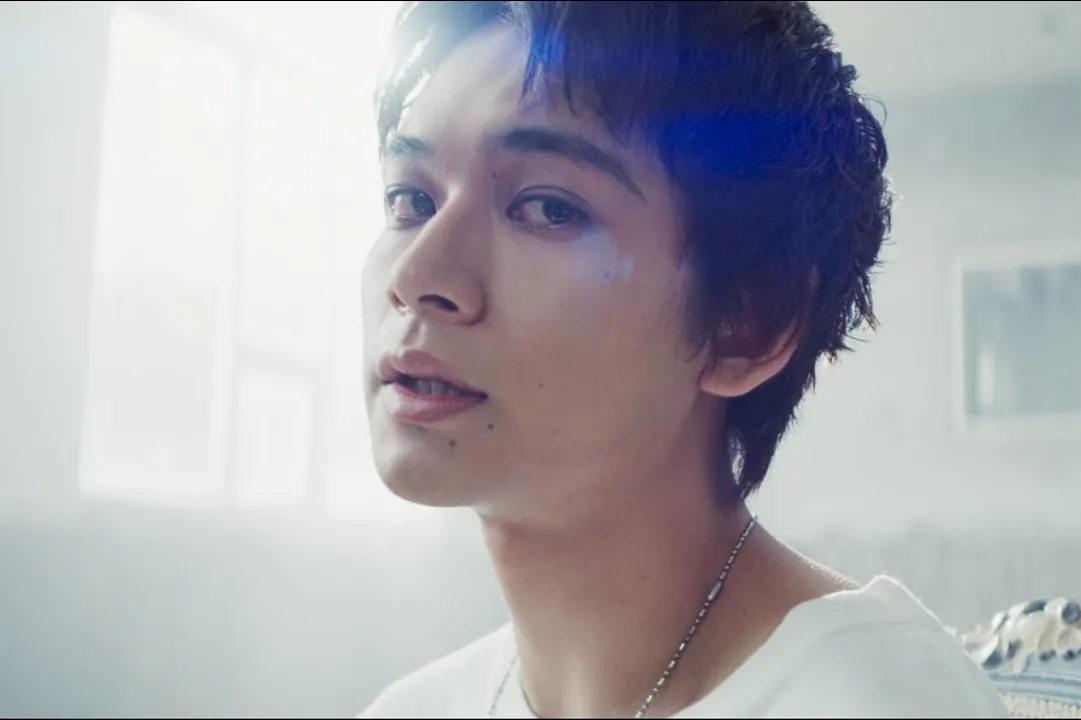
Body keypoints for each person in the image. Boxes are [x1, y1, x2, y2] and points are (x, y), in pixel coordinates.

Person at [358, 1, 1008, 717]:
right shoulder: (410, 708)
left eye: (547, 208)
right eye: (410, 199)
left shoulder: (880, 703)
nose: (416, 275)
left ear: (747, 326)